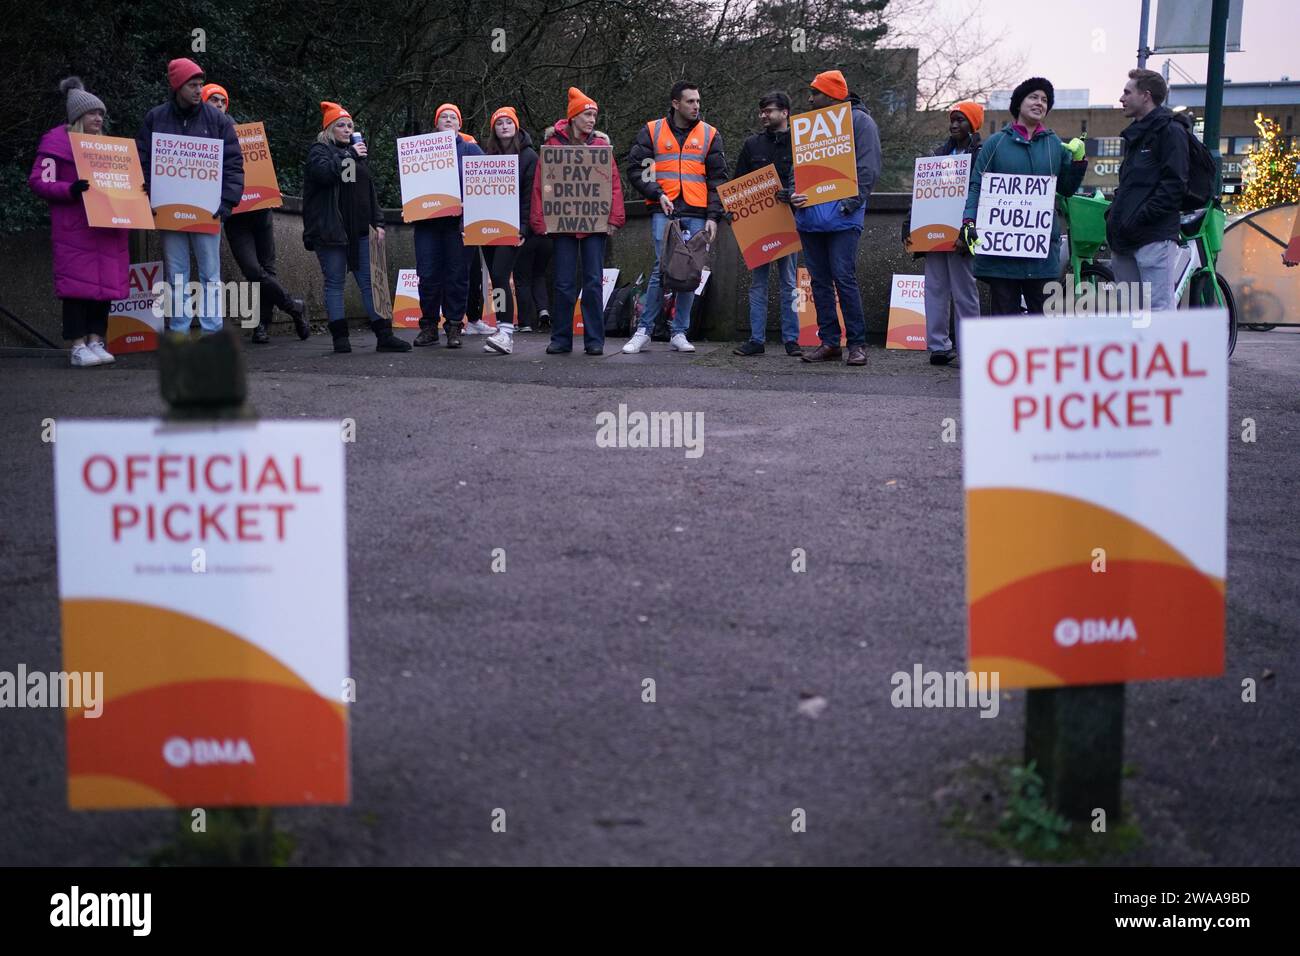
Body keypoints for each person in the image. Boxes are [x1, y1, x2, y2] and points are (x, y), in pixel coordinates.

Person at [960, 77, 1086, 315]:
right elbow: (977, 184)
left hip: (1040, 252)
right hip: (1001, 254)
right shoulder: (995, 143)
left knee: (1039, 321)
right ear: (1019, 103)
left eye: (1045, 100)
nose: (1040, 103)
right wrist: (968, 221)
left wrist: (1078, 162)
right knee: (1003, 318)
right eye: (1034, 97)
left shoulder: (1054, 145)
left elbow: (1067, 188)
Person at [136, 57, 243, 335]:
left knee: (210, 275)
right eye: (193, 85)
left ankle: (212, 332)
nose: (199, 90)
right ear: (177, 87)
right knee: (177, 275)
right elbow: (143, 159)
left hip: (207, 210)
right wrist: (150, 190)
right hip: (169, 210)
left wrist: (227, 202)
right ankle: (180, 331)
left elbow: (233, 162)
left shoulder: (217, 119)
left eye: (200, 84)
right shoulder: (156, 117)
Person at [28, 77, 129, 367]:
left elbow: (122, 183)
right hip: (76, 229)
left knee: (104, 287)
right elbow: (38, 181)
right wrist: (69, 190)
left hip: (106, 227)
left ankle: (97, 340)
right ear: (77, 117)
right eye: (93, 113)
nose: (99, 118)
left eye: (101, 114)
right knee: (77, 289)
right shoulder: (56, 143)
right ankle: (77, 345)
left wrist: (137, 190)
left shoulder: (108, 148)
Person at [622, 81, 727, 354]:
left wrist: (714, 216)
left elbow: (718, 179)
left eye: (698, 102)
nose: (696, 106)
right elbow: (636, 168)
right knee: (662, 268)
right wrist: (657, 194)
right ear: (675, 103)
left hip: (697, 210)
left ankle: (679, 332)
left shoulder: (710, 134)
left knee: (690, 272)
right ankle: (644, 330)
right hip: (664, 209)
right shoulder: (652, 130)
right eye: (690, 101)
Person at [201, 82, 309, 344]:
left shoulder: (243, 133)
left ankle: (262, 326)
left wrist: (271, 189)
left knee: (267, 270)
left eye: (222, 101)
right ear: (203, 103)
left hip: (259, 212)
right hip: (235, 217)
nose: (218, 104)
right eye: (212, 100)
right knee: (253, 270)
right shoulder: (200, 138)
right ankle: (294, 307)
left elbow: (258, 167)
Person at [302, 101, 411, 353]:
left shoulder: (356, 155)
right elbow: (325, 174)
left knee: (373, 282)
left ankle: (384, 336)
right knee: (335, 283)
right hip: (332, 231)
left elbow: (367, 193)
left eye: (350, 125)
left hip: (362, 231)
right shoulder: (320, 150)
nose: (347, 129)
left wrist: (379, 223)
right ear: (329, 129)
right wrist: (350, 155)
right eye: (341, 125)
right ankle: (340, 340)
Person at [794, 70, 881, 368]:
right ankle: (830, 342)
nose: (809, 98)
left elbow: (868, 168)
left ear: (831, 95)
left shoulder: (860, 122)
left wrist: (849, 204)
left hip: (843, 216)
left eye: (815, 93)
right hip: (811, 216)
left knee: (844, 278)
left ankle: (857, 344)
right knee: (818, 281)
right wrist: (794, 194)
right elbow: (801, 170)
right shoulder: (809, 128)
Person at [530, 87, 626, 355]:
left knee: (593, 282)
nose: (592, 119)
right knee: (563, 282)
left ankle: (594, 340)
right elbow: (541, 186)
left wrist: (614, 220)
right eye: (587, 114)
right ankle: (561, 339)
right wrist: (541, 222)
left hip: (594, 226)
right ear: (573, 117)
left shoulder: (600, 147)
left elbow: (613, 185)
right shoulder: (552, 148)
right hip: (563, 226)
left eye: (594, 115)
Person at [902, 102, 984, 368]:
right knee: (934, 289)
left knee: (964, 292)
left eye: (960, 119)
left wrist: (967, 229)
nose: (954, 124)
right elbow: (922, 193)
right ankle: (938, 346)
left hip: (961, 232)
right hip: (935, 234)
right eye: (952, 120)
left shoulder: (981, 155)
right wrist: (910, 224)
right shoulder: (938, 154)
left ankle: (969, 346)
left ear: (972, 123)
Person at [1107, 69, 1190, 313]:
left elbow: (1175, 185)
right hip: (1126, 237)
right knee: (1130, 312)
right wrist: (1116, 217)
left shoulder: (1170, 131)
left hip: (1153, 236)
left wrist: (1140, 217)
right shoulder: (1137, 135)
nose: (1121, 98)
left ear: (1145, 96)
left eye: (1126, 92)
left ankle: (1166, 353)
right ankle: (1137, 353)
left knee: (1158, 310)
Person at [731, 91, 802, 358]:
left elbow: (809, 181)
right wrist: (734, 210)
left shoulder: (800, 142)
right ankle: (756, 339)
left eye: (769, 110)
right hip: (758, 222)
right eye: (761, 111)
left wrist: (791, 192)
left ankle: (791, 340)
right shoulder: (752, 145)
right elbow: (738, 182)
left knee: (788, 282)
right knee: (758, 284)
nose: (763, 115)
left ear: (784, 112)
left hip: (788, 220)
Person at [412, 103, 484, 348]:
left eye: (453, 117)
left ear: (460, 124)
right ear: (436, 123)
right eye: (443, 116)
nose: (448, 119)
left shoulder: (472, 151)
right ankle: (428, 327)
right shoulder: (420, 150)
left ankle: (454, 326)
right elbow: (411, 182)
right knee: (428, 274)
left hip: (459, 224)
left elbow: (485, 186)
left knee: (457, 275)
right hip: (427, 224)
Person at [481, 106, 538, 356]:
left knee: (502, 275)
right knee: (496, 278)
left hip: (512, 227)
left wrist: (523, 228)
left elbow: (529, 197)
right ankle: (501, 328)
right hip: (486, 227)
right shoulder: (486, 155)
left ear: (516, 126)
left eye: (508, 122)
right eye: (499, 123)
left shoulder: (529, 157)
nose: (504, 126)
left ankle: (506, 331)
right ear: (494, 128)